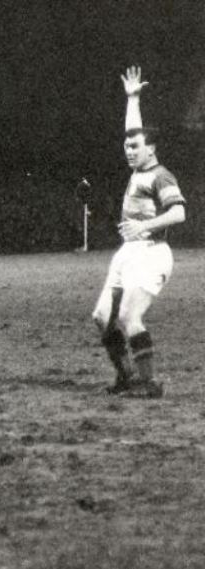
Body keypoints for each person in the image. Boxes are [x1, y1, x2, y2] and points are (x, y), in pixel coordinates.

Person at [91, 66, 187, 398]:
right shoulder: (138, 168)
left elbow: (179, 212)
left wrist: (143, 225)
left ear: (152, 149)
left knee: (130, 316)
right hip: (128, 253)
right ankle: (127, 376)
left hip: (152, 253)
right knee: (103, 317)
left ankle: (150, 383)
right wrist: (132, 98)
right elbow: (134, 128)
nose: (129, 149)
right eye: (127, 146)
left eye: (135, 146)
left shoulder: (161, 176)